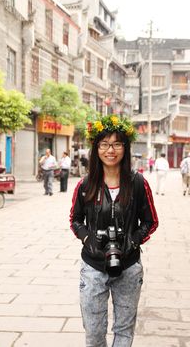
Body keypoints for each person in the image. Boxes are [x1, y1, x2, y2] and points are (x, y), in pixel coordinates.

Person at [69, 114, 159, 347]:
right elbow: (75, 219)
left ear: (125, 148)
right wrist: (88, 238)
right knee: (93, 332)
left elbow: (151, 221)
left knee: (124, 330)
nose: (111, 150)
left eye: (117, 143)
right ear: (96, 148)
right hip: (93, 266)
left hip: (128, 266)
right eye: (105, 144)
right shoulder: (86, 184)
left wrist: (134, 240)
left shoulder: (138, 183)